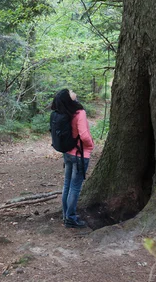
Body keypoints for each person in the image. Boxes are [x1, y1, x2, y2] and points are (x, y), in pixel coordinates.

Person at [51, 88, 94, 228]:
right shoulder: (79, 112)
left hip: (68, 153)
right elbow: (84, 134)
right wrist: (90, 145)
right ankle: (70, 218)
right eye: (70, 92)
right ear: (69, 98)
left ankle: (66, 215)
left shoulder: (66, 112)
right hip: (80, 155)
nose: (73, 91)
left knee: (67, 185)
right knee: (75, 187)